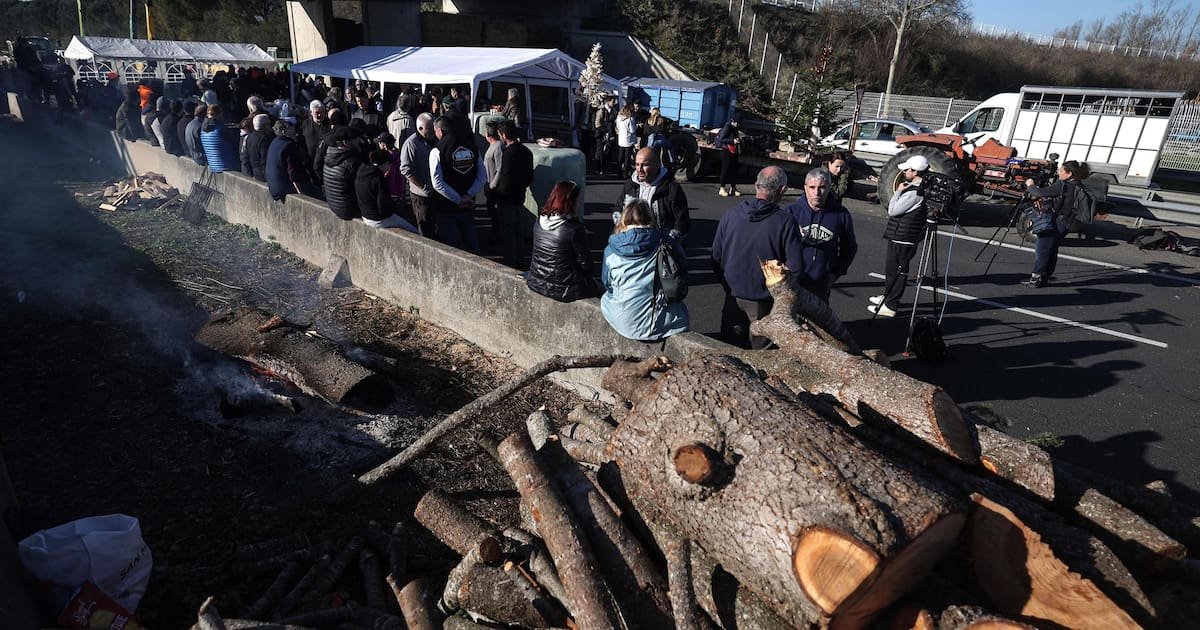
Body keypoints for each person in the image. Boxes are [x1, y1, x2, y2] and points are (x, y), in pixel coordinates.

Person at [711, 166, 805, 349]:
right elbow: (796, 268)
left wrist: (728, 285)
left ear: (756, 185)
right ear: (783, 190)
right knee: (763, 356)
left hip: (732, 297)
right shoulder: (785, 222)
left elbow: (716, 257)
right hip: (764, 302)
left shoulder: (731, 215)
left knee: (731, 354)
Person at [601, 200, 690, 342]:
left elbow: (608, 284)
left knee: (606, 298)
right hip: (654, 322)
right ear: (651, 218)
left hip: (622, 320)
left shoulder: (611, 248)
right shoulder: (665, 242)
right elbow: (682, 274)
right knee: (681, 314)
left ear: (623, 220)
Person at [869, 154, 929, 318]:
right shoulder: (917, 187)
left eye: (907, 170)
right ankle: (888, 297)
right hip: (901, 235)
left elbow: (893, 210)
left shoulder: (915, 192)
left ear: (915, 171)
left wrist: (898, 192)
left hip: (904, 237)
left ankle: (891, 305)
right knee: (891, 270)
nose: (904, 173)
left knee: (897, 271)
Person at [785, 168, 858, 302]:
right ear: (805, 188)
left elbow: (850, 247)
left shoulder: (841, 214)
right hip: (791, 281)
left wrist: (835, 274)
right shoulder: (790, 212)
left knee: (815, 322)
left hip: (820, 284)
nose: (816, 193)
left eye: (822, 187)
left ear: (829, 188)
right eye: (812, 187)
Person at [526, 181, 597, 302]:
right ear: (571, 202)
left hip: (536, 280)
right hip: (565, 289)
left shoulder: (539, 221)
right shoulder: (573, 229)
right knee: (601, 291)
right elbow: (587, 266)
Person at [1024, 160, 1090, 288]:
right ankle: (1044, 277)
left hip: (1056, 221)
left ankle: (1036, 278)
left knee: (1043, 249)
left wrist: (1030, 185)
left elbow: (1039, 193)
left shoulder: (1063, 185)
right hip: (1067, 222)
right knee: (1051, 249)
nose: (1058, 173)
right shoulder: (1079, 185)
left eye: (1061, 170)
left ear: (1069, 173)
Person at [428, 116, 487, 252]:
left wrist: (458, 199)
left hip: (447, 207)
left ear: (440, 132)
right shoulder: (472, 147)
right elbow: (483, 176)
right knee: (472, 247)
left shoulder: (437, 150)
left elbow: (437, 182)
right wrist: (468, 195)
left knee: (451, 250)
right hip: (468, 205)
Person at [618, 147, 690, 245]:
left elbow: (682, 222)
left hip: (661, 246)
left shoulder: (672, 189)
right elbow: (618, 209)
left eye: (645, 165)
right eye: (637, 164)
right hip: (632, 244)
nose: (640, 169)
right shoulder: (630, 185)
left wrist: (669, 242)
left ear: (657, 165)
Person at [492, 119, 535, 268]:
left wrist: (498, 195)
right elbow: (530, 176)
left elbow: (506, 178)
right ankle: (520, 260)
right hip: (520, 195)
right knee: (518, 232)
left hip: (507, 199)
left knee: (508, 233)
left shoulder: (509, 153)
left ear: (503, 135)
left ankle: (511, 263)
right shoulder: (526, 151)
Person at [356, 150, 420, 232]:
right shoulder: (378, 178)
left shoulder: (362, 172)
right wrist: (393, 204)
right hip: (377, 220)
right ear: (385, 163)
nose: (389, 169)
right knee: (413, 231)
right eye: (389, 165)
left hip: (365, 216)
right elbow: (383, 208)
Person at [400, 112, 437, 236]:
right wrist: (424, 187)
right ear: (420, 128)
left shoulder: (434, 140)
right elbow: (406, 170)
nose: (433, 131)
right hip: (421, 195)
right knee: (425, 228)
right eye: (430, 128)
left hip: (436, 192)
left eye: (434, 127)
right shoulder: (411, 144)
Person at [266, 119, 317, 201]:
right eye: (291, 129)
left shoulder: (274, 142)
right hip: (284, 188)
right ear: (284, 131)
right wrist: (299, 190)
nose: (295, 132)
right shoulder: (289, 145)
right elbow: (292, 170)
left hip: (273, 188)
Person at [322, 126, 363, 220]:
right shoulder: (350, 162)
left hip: (334, 206)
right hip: (349, 210)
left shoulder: (329, 156)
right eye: (355, 140)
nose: (359, 142)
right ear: (345, 143)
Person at [200, 104, 239, 173]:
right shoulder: (222, 130)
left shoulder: (202, 130)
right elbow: (235, 144)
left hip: (213, 166)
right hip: (228, 166)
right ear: (219, 114)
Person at [714, 112, 741, 197]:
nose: (737, 124)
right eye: (737, 122)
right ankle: (722, 188)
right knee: (725, 169)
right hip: (726, 150)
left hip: (734, 150)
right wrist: (732, 141)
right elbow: (722, 139)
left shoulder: (735, 128)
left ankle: (733, 187)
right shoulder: (727, 127)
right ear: (733, 121)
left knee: (734, 169)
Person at [299, 100, 331, 170]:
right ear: (311, 112)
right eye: (317, 113)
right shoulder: (305, 124)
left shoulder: (330, 125)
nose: (320, 115)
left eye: (322, 112)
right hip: (309, 163)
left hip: (325, 164)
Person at [245, 113, 275, 182]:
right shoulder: (264, 138)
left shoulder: (250, 137)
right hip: (264, 174)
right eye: (269, 124)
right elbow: (264, 158)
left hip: (255, 173)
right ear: (265, 125)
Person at [592, 94, 617, 174]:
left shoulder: (613, 110)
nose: (614, 103)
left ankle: (604, 166)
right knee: (599, 150)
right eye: (613, 101)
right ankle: (597, 167)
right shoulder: (601, 111)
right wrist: (603, 131)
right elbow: (597, 123)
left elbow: (614, 122)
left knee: (607, 150)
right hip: (601, 133)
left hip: (609, 133)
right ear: (608, 101)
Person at [614, 105, 637, 179]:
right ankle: (625, 173)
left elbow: (618, 127)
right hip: (628, 140)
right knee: (627, 158)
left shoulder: (619, 118)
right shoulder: (630, 119)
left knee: (620, 156)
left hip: (621, 139)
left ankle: (618, 172)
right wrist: (637, 126)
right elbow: (632, 130)